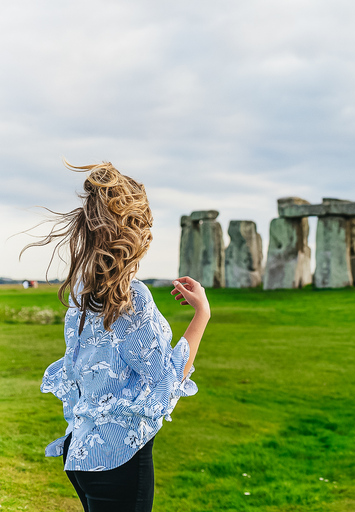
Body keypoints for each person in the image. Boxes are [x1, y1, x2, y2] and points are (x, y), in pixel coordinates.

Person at [24, 161, 211, 511]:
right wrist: (202, 314)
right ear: (136, 232)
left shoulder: (84, 291)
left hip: (81, 451)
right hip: (118, 458)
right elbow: (166, 385)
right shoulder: (133, 298)